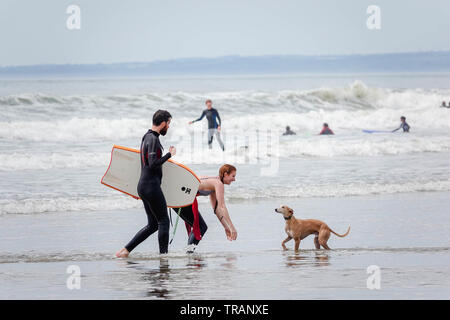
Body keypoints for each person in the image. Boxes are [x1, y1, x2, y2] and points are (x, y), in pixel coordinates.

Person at [115, 110, 176, 258]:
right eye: (168, 123)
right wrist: (169, 155)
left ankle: (125, 251)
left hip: (144, 186)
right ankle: (164, 257)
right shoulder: (153, 139)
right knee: (163, 221)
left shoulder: (146, 137)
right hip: (151, 186)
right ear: (163, 123)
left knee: (153, 225)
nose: (168, 127)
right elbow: (153, 163)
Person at [174, 164, 238, 253]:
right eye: (233, 176)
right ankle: (189, 253)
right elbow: (222, 206)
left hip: (179, 198)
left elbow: (217, 209)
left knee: (200, 227)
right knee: (201, 227)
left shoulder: (215, 183)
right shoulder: (218, 184)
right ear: (226, 174)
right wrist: (232, 228)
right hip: (181, 198)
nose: (234, 179)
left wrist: (226, 227)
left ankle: (189, 253)